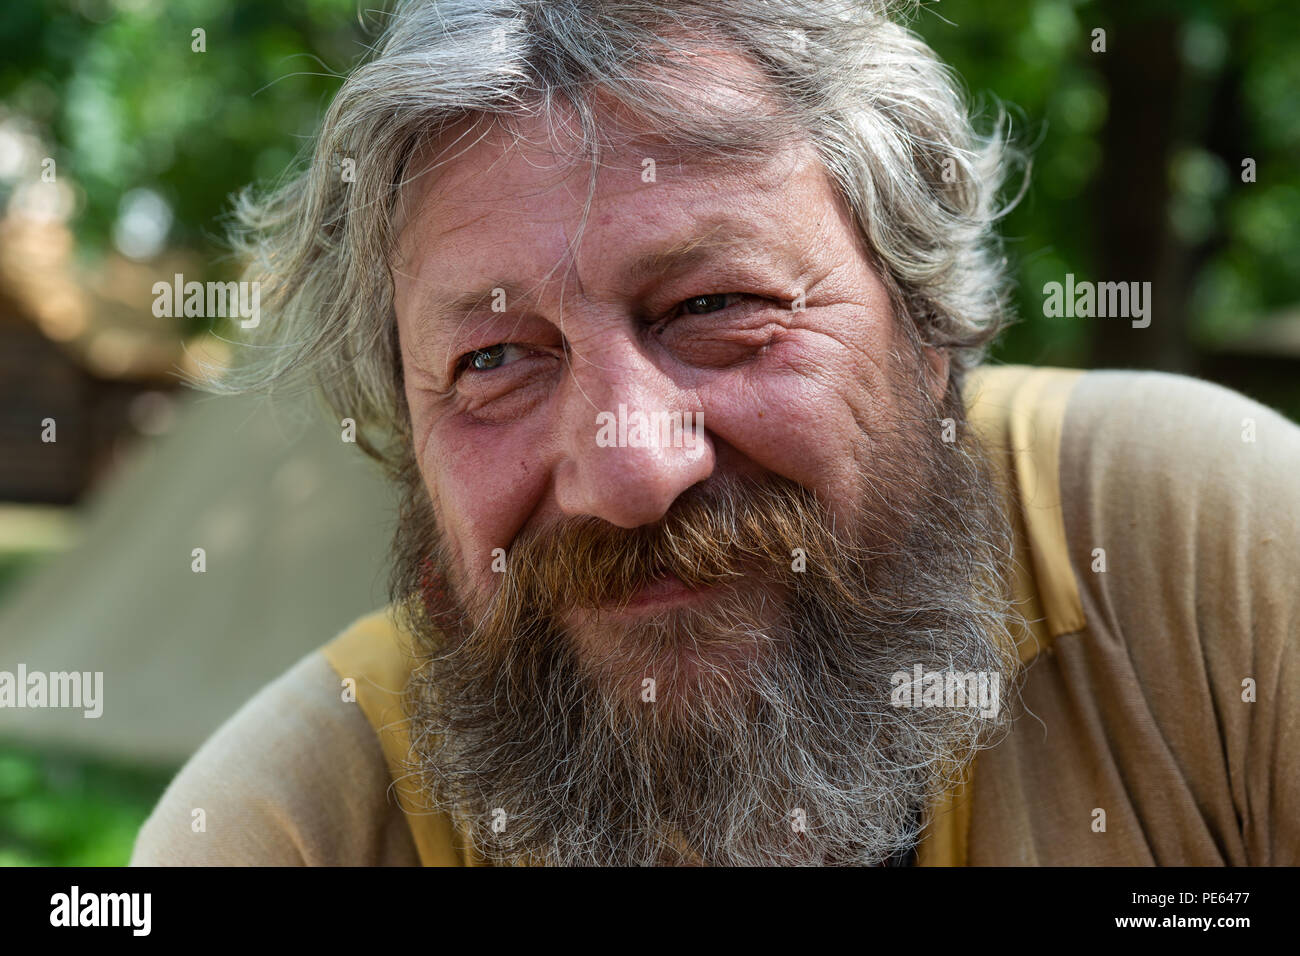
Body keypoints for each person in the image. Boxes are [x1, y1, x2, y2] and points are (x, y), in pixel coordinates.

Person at [131, 0, 1299, 866]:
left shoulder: (1201, 548)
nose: (630, 472)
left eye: (713, 307)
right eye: (493, 360)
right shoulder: (286, 830)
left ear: (927, 331)